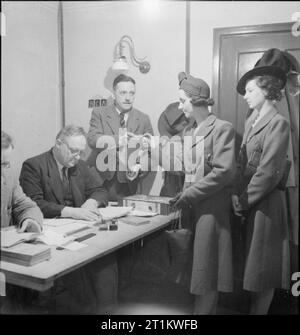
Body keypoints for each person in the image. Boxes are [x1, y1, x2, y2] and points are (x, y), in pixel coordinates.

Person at [148, 72, 236, 314]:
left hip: (210, 212)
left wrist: (188, 195)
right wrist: (155, 148)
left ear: (196, 101)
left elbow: (223, 172)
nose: (179, 106)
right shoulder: (190, 132)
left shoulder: (222, 129)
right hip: (191, 212)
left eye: (182, 100)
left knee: (207, 273)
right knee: (196, 271)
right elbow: (185, 168)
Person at [19, 125, 118, 314]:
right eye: (74, 151)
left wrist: (91, 203)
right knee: (79, 273)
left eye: (81, 152)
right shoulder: (34, 166)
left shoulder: (80, 166)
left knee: (106, 260)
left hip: (79, 233)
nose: (78, 157)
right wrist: (72, 212)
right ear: (58, 144)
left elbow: (100, 190)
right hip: (50, 239)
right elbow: (33, 203)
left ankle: (109, 315)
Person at [233, 51, 291, 314]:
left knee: (263, 273)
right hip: (250, 205)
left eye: (250, 90)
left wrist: (243, 201)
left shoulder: (278, 123)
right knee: (253, 271)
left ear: (266, 89)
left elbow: (268, 172)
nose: (245, 96)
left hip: (266, 206)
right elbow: (244, 165)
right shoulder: (251, 121)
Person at [87, 74, 154, 202]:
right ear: (113, 94)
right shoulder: (99, 113)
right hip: (101, 180)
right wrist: (120, 139)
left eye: (131, 93)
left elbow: (152, 152)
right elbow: (92, 139)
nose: (128, 98)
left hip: (129, 183)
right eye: (123, 93)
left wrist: (140, 167)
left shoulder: (144, 119)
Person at [1, 131, 43, 313]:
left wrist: (30, 219)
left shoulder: (8, 174)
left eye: (5, 163)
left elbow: (25, 204)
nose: (3, 171)